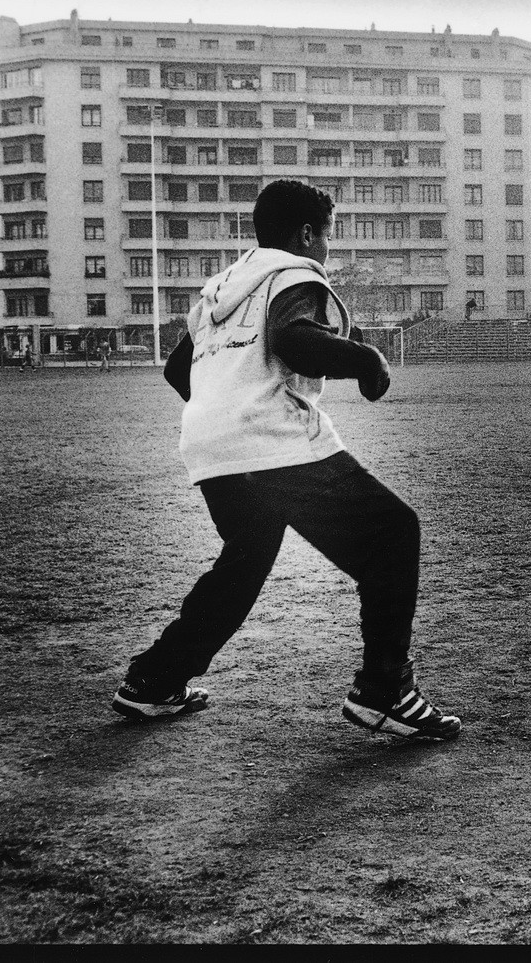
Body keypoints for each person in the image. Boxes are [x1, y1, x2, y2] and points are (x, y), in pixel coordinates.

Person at [110, 179, 459, 741]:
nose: (327, 248)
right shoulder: (295, 275)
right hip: (272, 443)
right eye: (326, 235)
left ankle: (154, 679)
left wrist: (227, 410)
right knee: (393, 534)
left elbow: (180, 371)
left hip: (210, 446)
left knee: (245, 558)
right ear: (305, 234)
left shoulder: (223, 287)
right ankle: (384, 691)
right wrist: (366, 359)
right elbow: (295, 341)